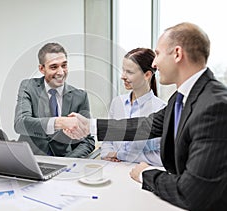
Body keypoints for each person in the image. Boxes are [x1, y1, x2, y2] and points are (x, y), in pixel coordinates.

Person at [62, 22, 227, 210]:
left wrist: (145, 173)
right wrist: (88, 126)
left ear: (177, 54)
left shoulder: (216, 106)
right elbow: (146, 125)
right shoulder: (180, 98)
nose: (155, 63)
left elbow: (192, 193)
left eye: (158, 54)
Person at [14, 42, 95, 157]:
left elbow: (87, 140)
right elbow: (20, 123)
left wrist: (68, 162)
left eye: (64, 65)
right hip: (30, 158)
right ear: (42, 69)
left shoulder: (80, 96)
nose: (61, 72)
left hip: (63, 162)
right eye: (54, 67)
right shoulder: (28, 86)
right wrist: (59, 122)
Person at [101, 48, 165, 166]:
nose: (123, 76)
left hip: (142, 173)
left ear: (147, 75)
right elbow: (107, 140)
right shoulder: (117, 103)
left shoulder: (161, 109)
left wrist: (121, 155)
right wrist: (107, 154)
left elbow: (161, 156)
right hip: (112, 169)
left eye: (129, 72)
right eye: (123, 70)